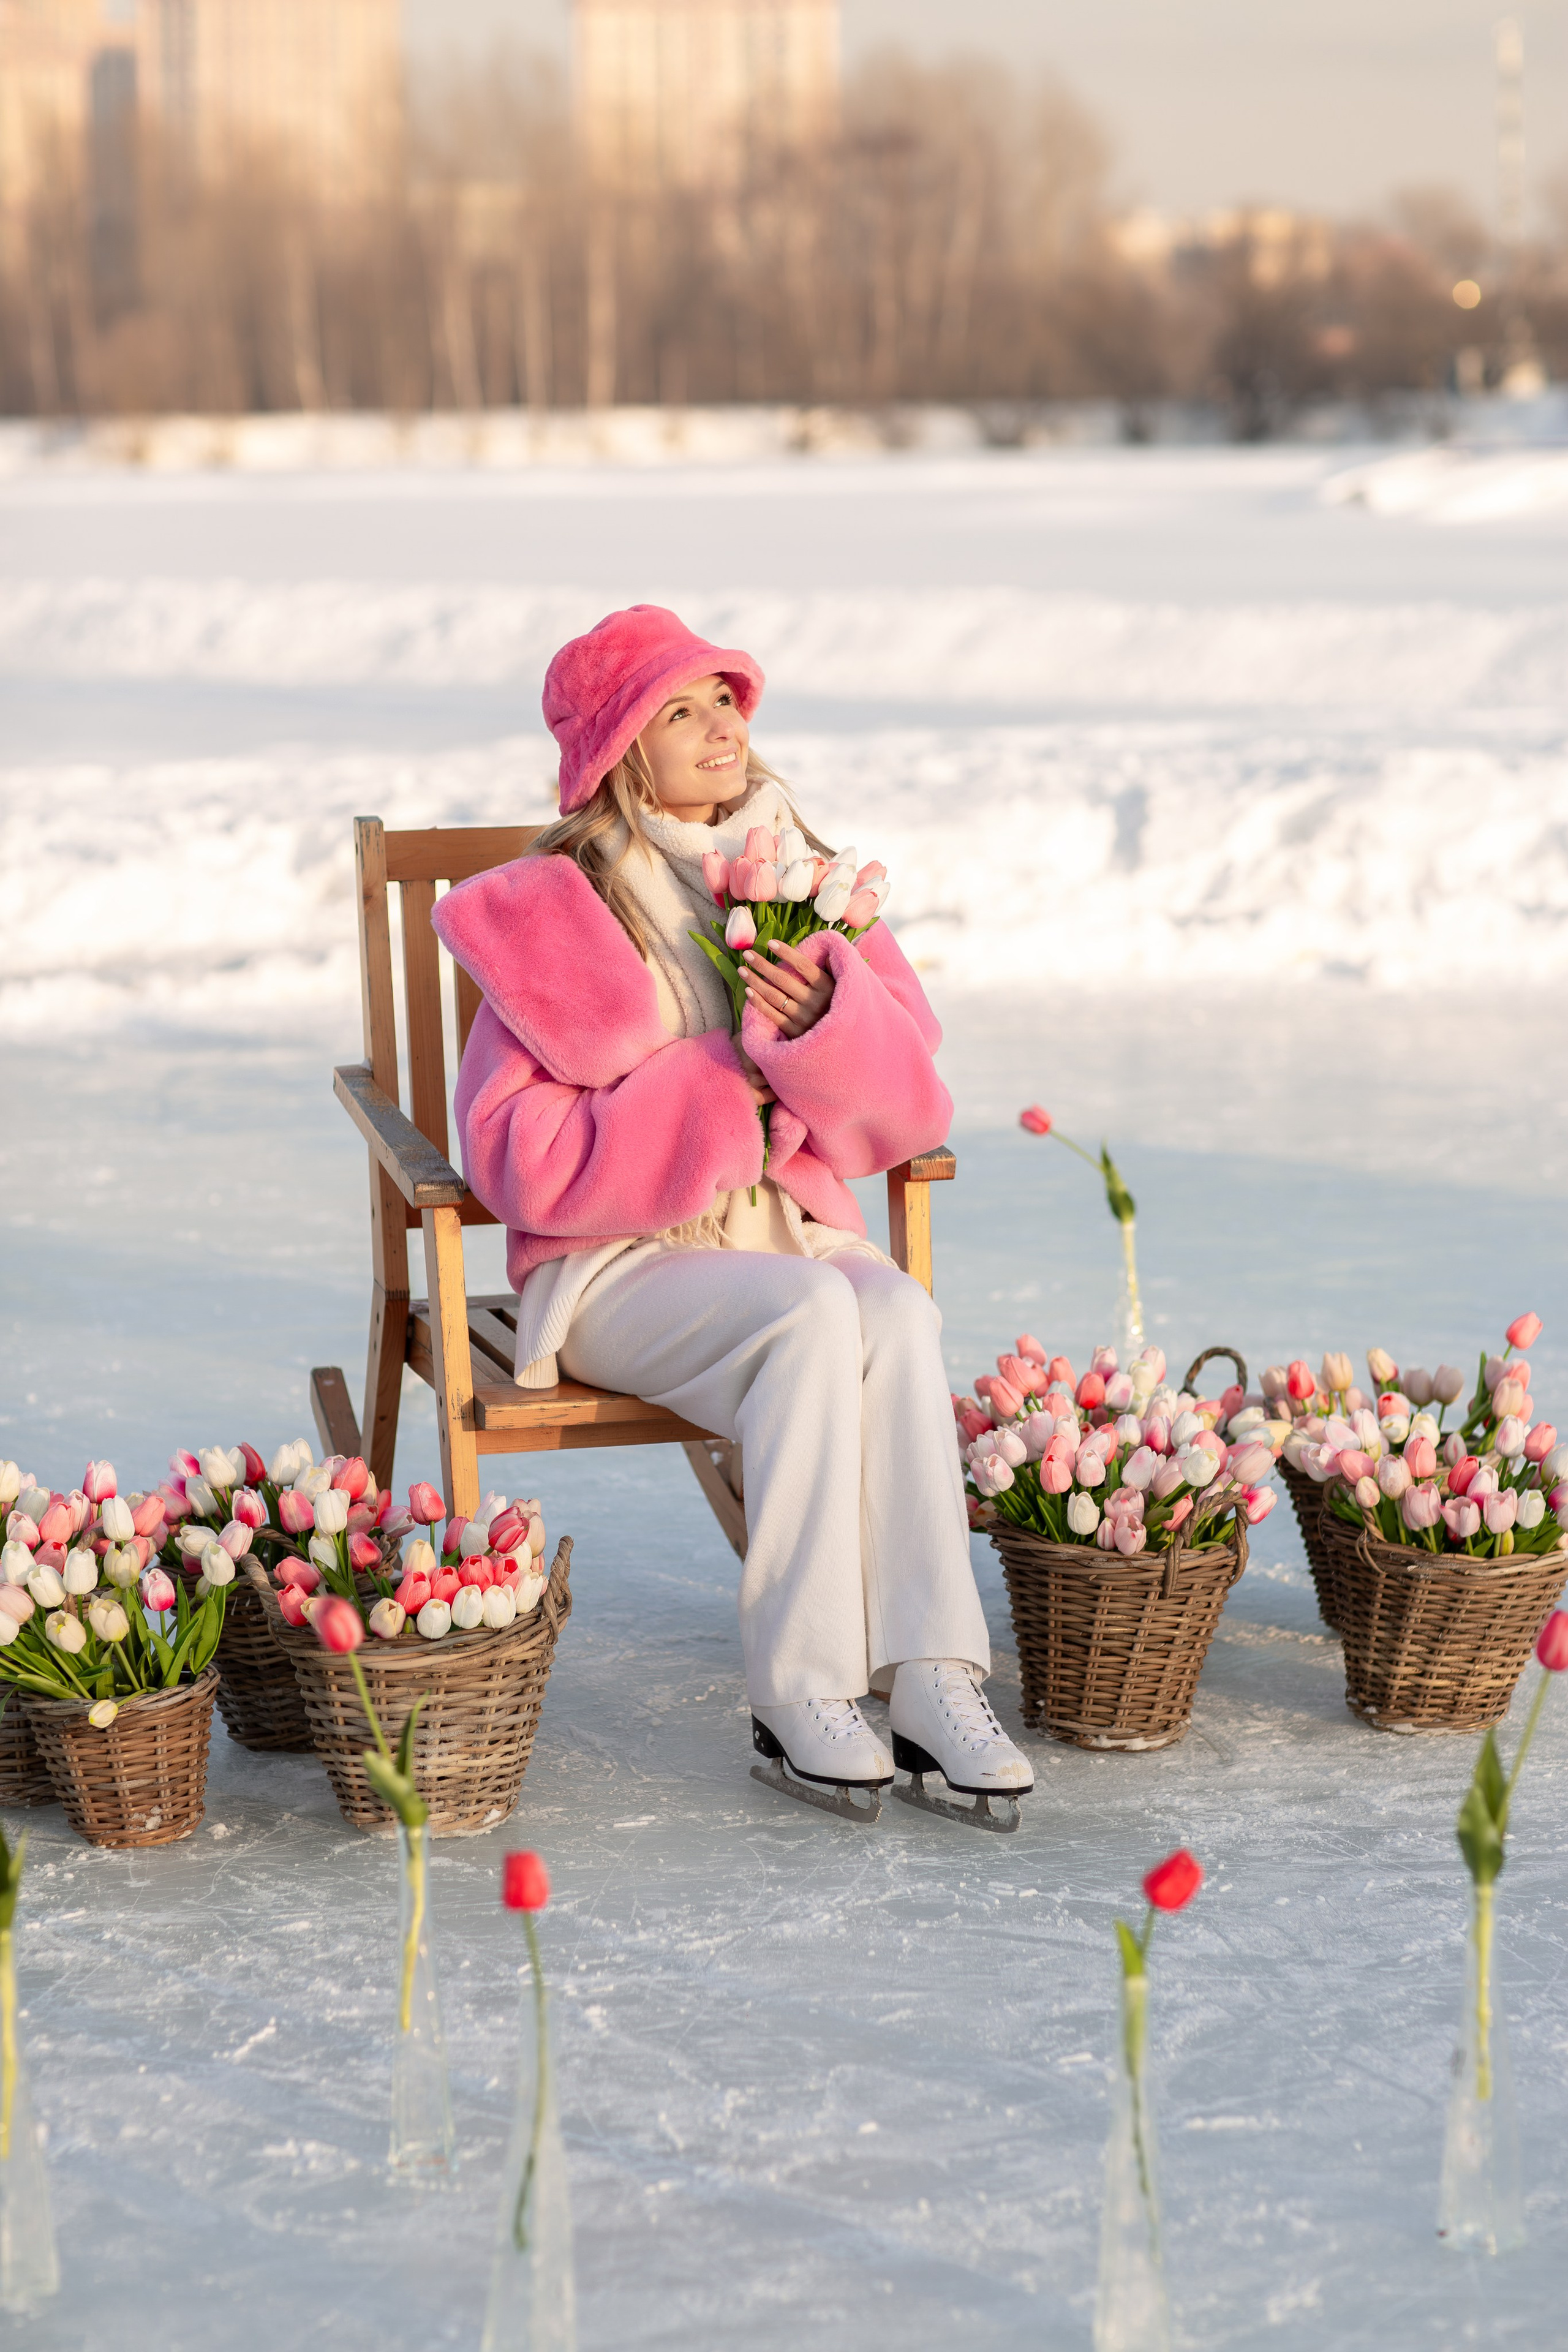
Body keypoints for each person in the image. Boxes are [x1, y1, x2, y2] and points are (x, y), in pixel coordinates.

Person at [432, 605, 1032, 1827]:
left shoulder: (800, 880)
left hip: (779, 1235)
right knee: (810, 1315)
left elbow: (909, 1107)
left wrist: (820, 1032)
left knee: (894, 1312)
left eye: (724, 700)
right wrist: (716, 1090)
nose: (721, 727)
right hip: (615, 1267)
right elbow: (512, 1154)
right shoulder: (557, 911)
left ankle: (932, 1675)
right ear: (618, 753)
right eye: (678, 710)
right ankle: (802, 1689)